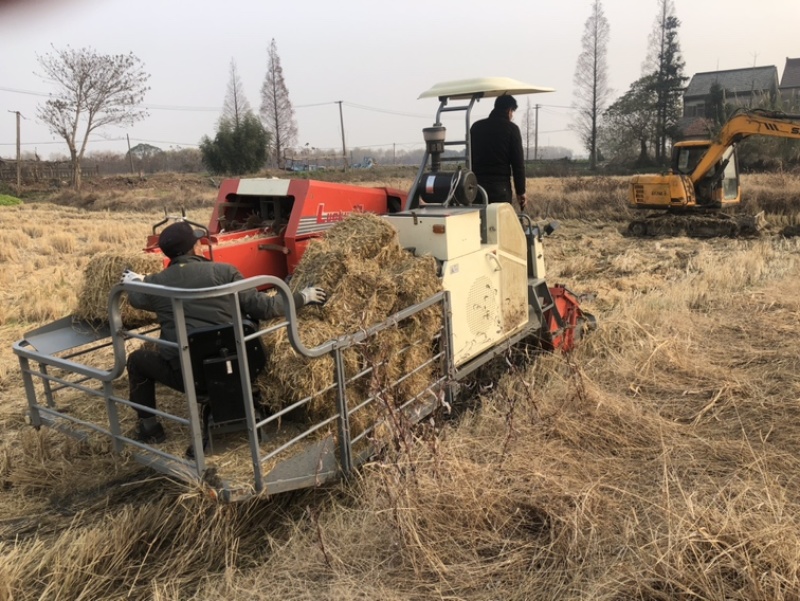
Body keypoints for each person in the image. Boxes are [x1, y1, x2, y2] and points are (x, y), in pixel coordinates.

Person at [122, 220, 327, 443]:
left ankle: (150, 429)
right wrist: (302, 297)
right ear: (196, 247)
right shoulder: (225, 271)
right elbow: (265, 308)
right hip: (242, 366)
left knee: (136, 360)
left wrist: (136, 281)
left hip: (190, 377)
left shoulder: (156, 284)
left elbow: (135, 298)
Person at [469, 94, 527, 210]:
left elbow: (469, 157)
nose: (512, 116)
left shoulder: (476, 127)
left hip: (477, 188)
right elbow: (518, 165)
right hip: (500, 189)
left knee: (479, 223)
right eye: (512, 112)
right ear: (509, 110)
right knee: (499, 225)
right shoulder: (512, 129)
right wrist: (521, 192)